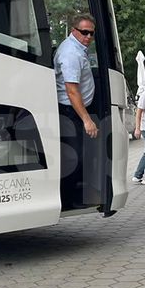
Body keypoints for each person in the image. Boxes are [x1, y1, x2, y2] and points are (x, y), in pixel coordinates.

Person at [55, 14, 98, 208]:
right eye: (84, 32)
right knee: (73, 158)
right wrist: (87, 120)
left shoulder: (79, 49)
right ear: (74, 30)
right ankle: (69, 200)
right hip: (69, 111)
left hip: (74, 110)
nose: (88, 36)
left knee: (78, 155)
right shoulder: (71, 53)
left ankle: (76, 196)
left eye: (91, 33)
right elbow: (72, 91)